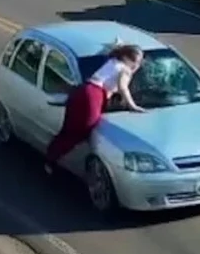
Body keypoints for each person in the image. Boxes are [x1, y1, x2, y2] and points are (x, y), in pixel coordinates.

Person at [44, 41, 147, 175]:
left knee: (69, 128)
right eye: (136, 62)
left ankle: (50, 155)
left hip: (82, 90)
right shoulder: (125, 69)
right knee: (85, 129)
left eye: (138, 62)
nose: (137, 66)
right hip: (94, 95)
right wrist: (133, 106)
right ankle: (56, 158)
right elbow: (123, 88)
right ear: (129, 60)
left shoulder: (113, 61)